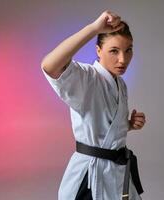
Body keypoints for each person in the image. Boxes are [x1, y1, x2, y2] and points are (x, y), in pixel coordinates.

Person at [41, 10, 146, 200]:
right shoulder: (87, 78)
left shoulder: (119, 83)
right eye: (114, 51)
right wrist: (93, 29)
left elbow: (104, 129)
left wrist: (127, 125)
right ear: (98, 50)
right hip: (91, 176)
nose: (123, 59)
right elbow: (49, 65)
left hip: (117, 172)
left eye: (128, 50)